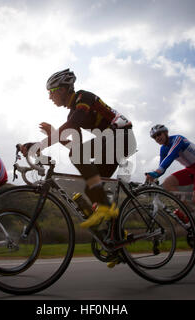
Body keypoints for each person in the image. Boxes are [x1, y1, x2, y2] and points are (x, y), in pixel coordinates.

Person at [20, 68, 136, 236]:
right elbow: (74, 145)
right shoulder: (72, 113)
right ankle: (118, 237)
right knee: (92, 189)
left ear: (61, 89)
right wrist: (49, 138)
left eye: (50, 92)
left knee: (92, 184)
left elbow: (73, 132)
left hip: (123, 136)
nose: (49, 97)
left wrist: (41, 144)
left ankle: (105, 208)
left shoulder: (84, 98)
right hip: (110, 141)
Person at [145, 124, 195, 256]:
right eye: (154, 137)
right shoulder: (163, 149)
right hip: (191, 170)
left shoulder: (178, 139)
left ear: (166, 133)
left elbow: (170, 157)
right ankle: (192, 211)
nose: (157, 138)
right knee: (167, 184)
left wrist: (155, 172)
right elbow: (162, 166)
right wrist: (152, 177)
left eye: (159, 134)